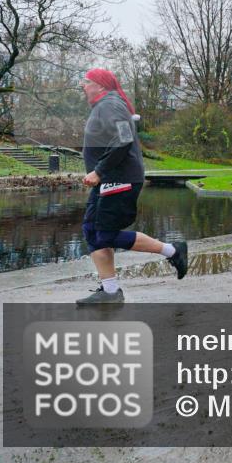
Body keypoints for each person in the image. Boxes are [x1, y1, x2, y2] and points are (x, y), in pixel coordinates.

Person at [76, 69, 188, 305]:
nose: (82, 85)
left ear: (100, 85)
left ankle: (173, 251)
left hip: (119, 178)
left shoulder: (110, 104)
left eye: (86, 82)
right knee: (92, 231)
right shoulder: (106, 105)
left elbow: (124, 139)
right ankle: (109, 291)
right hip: (110, 178)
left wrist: (99, 170)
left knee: (103, 234)